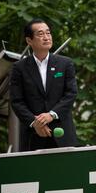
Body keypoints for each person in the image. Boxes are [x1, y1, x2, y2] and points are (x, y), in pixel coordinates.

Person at [10, 19, 78, 151]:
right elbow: (17, 101)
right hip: (33, 135)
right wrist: (35, 122)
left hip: (62, 134)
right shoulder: (19, 67)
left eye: (48, 33)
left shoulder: (65, 63)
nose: (46, 37)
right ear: (29, 41)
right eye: (40, 34)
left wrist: (51, 114)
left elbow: (71, 94)